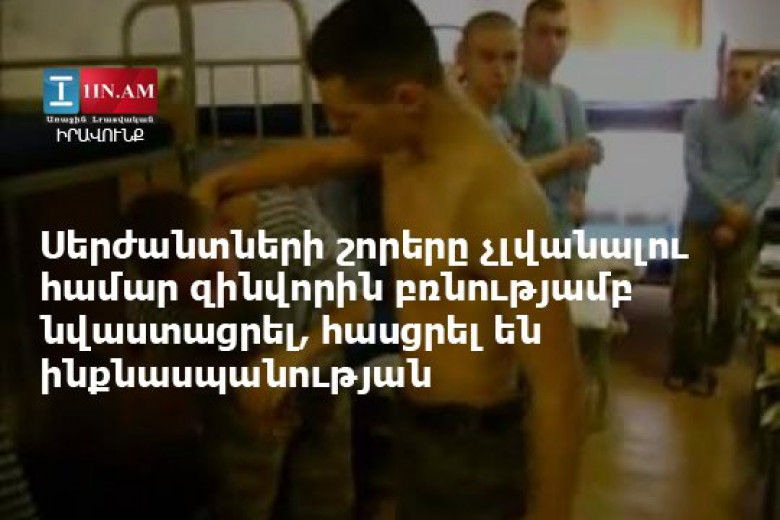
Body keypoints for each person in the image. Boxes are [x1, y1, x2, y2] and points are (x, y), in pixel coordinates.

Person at [194, 0, 585, 518]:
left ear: (407, 98)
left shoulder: (495, 199)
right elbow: (318, 159)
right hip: (414, 420)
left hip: (474, 448)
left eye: (348, 117)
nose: (339, 128)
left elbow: (560, 387)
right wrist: (218, 182)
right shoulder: (404, 141)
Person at [122, 186, 371, 520]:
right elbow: (158, 368)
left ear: (223, 225)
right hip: (225, 383)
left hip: (315, 356)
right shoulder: (151, 300)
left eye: (213, 274)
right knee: (243, 498)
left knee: (326, 493)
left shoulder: (288, 225)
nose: (213, 300)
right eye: (190, 297)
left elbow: (357, 309)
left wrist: (288, 359)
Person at [667, 55, 780, 396]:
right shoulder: (698, 115)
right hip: (700, 218)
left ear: (756, 81)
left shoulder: (768, 125)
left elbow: (765, 177)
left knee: (731, 304)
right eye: (732, 74)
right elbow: (694, 170)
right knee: (688, 297)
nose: (738, 82)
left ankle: (709, 363)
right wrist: (725, 208)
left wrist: (739, 215)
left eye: (746, 76)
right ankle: (685, 365)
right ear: (721, 75)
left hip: (743, 223)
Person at [500, 0, 601, 235]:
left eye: (559, 33)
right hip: (523, 233)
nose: (552, 42)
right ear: (523, 37)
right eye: (543, 32)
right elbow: (509, 174)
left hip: (560, 233)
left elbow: (581, 167)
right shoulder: (517, 91)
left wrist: (579, 192)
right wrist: (567, 156)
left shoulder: (568, 99)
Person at [455, 11, 521, 143]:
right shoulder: (449, 121)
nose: (501, 71)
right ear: (462, 57)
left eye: (510, 58)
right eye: (488, 57)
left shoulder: (500, 125)